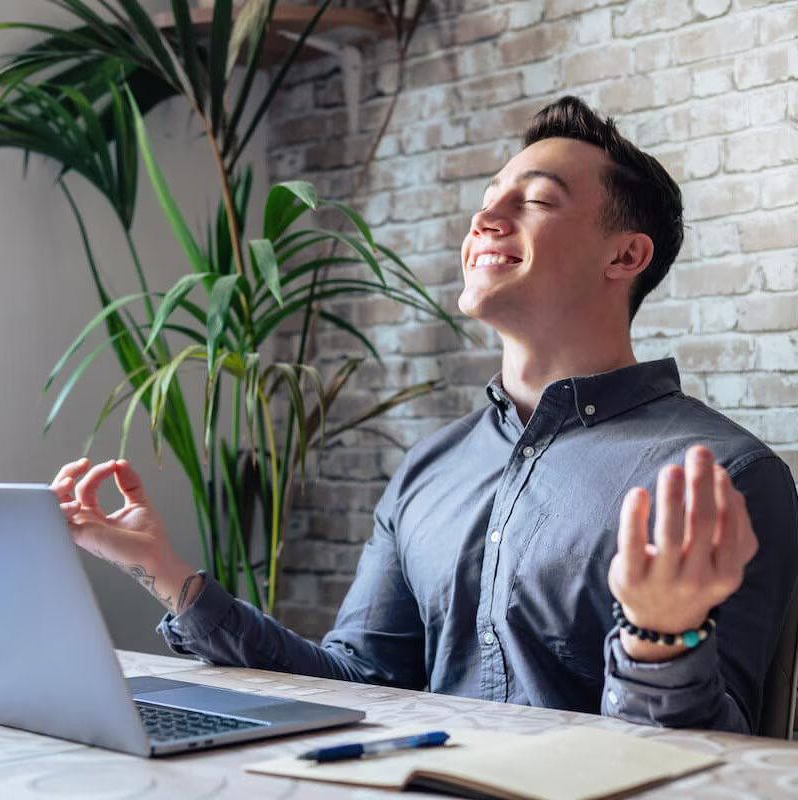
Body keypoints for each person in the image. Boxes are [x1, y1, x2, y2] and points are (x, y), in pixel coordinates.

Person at [52, 96, 798, 735]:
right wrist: (167, 575)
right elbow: (357, 681)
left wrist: (662, 637)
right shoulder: (432, 467)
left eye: (533, 200)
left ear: (626, 255)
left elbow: (718, 767)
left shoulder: (722, 478)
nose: (485, 215)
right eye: (489, 196)